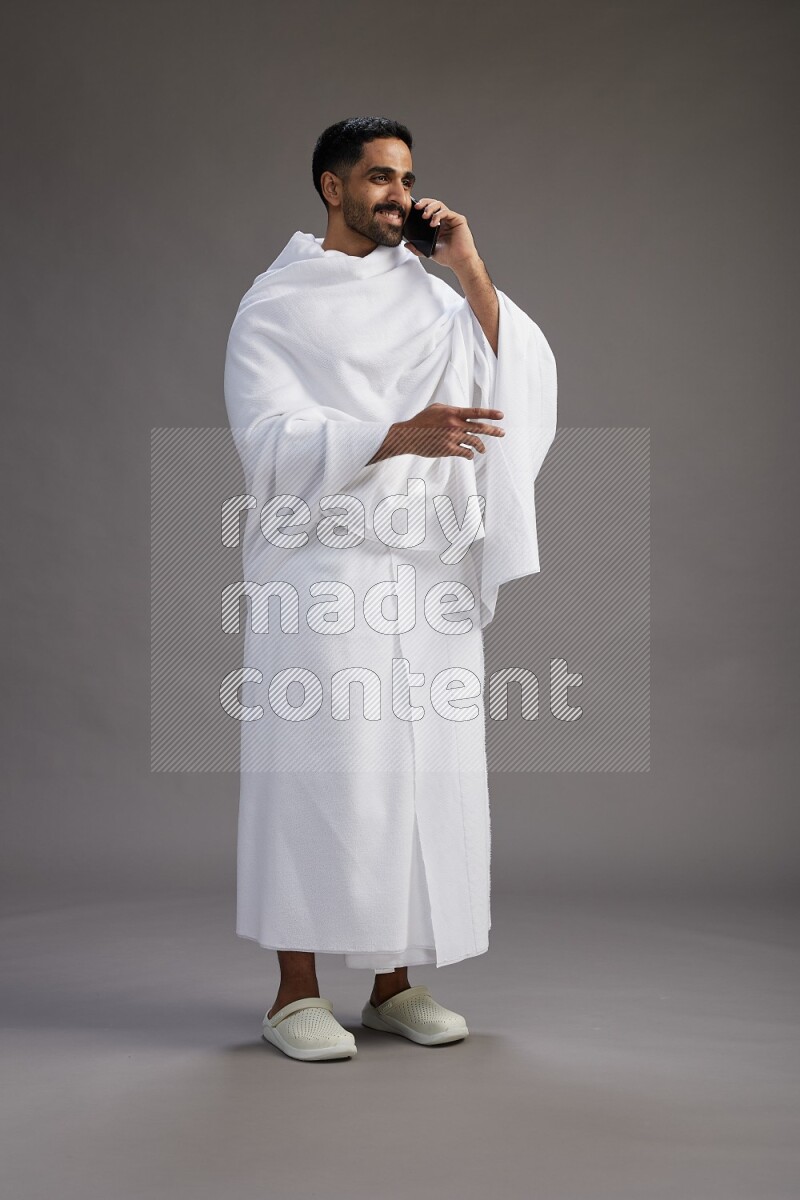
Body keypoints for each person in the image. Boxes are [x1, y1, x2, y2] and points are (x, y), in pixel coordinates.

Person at [224, 116, 557, 1061]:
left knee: (419, 777)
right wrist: (400, 435)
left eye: (405, 177)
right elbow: (269, 438)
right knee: (323, 775)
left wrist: (468, 265)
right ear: (331, 188)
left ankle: (394, 984)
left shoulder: (431, 295)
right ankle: (295, 994)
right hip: (324, 573)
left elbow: (514, 376)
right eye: (377, 178)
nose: (397, 196)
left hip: (425, 572)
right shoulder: (277, 306)